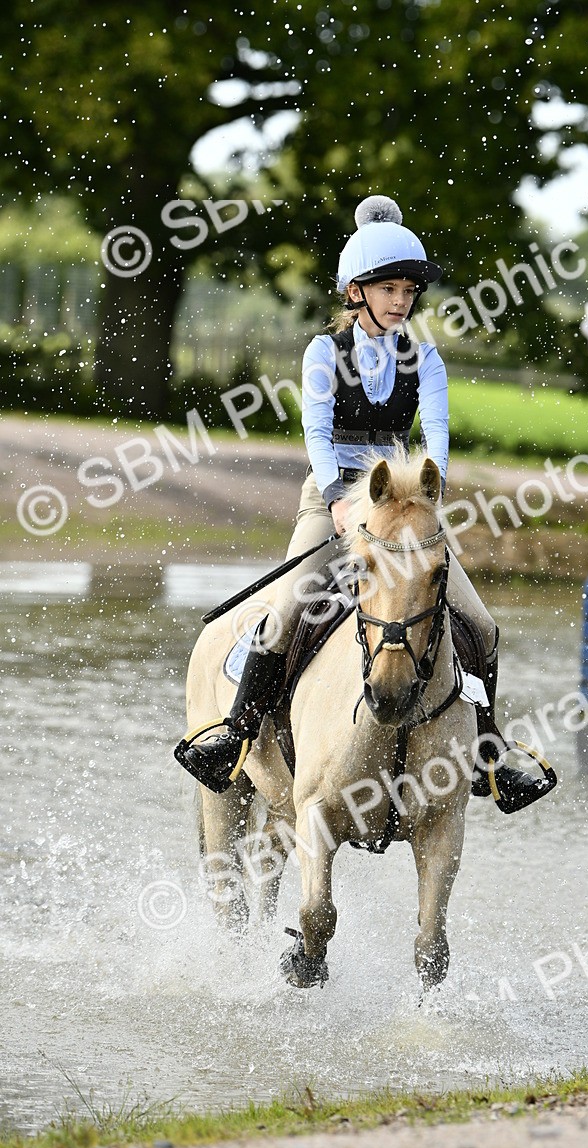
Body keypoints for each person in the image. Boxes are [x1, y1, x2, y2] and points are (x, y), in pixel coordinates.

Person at [175, 195, 545, 811]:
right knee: (288, 610)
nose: (402, 300)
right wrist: (340, 505)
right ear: (357, 291)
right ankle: (237, 734)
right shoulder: (323, 353)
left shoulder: (425, 359)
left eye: (408, 289)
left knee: (479, 623)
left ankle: (486, 750)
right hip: (333, 499)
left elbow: (439, 439)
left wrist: (429, 498)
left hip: (402, 507)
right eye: (389, 288)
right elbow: (318, 435)